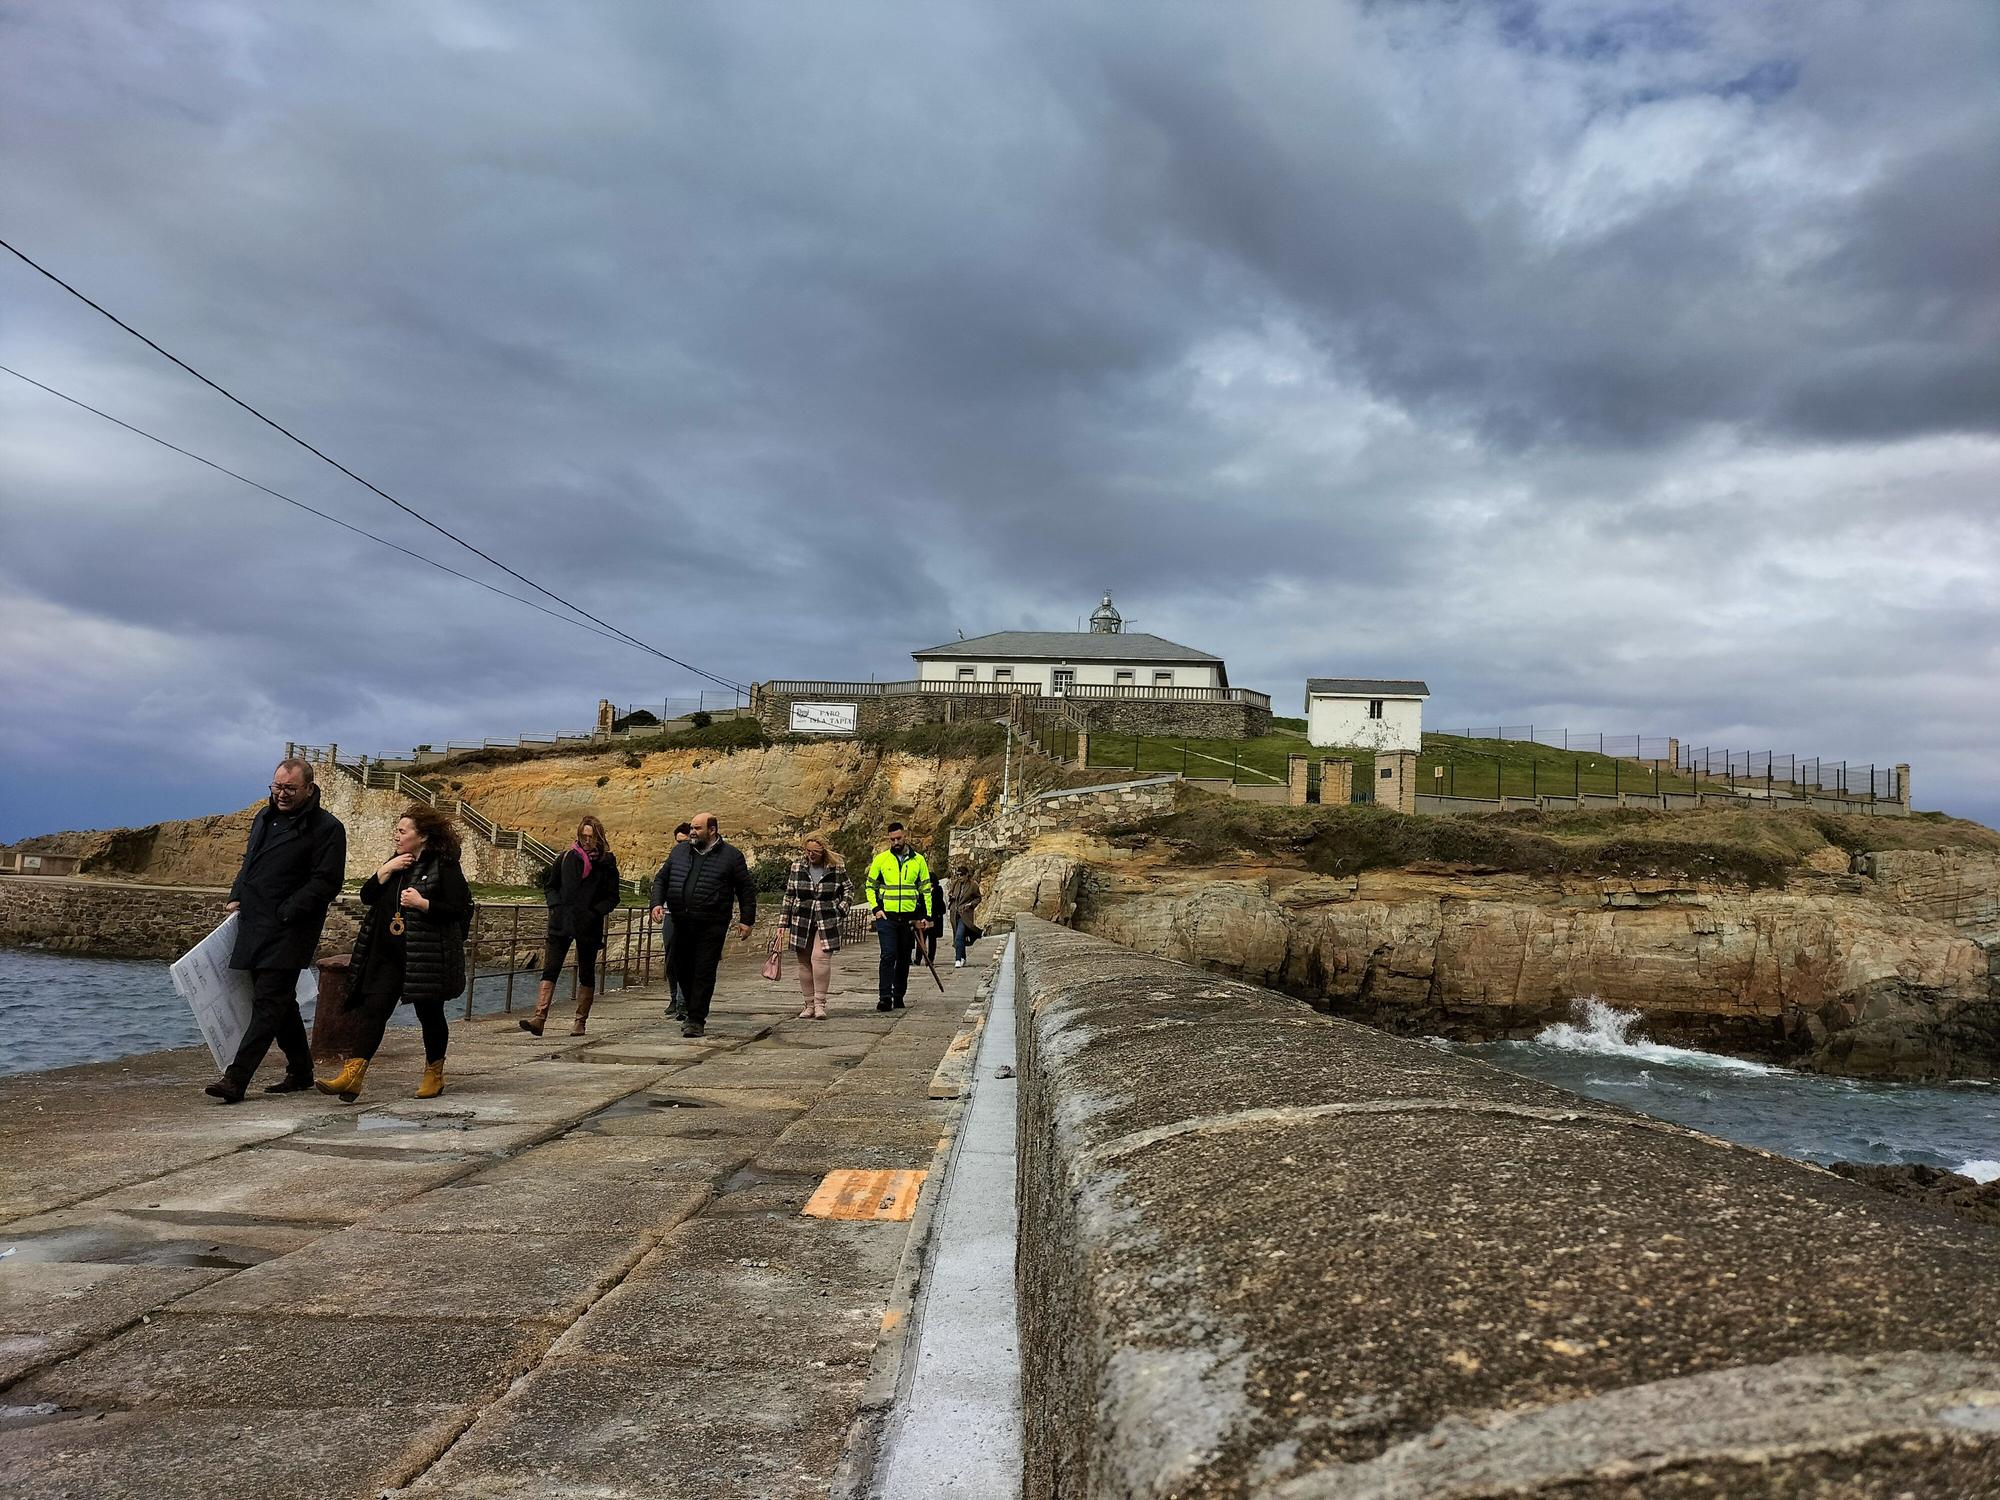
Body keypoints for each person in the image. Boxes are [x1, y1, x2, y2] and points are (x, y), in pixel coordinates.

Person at [205, 757, 347, 1104]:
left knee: (268, 1002)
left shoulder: (328, 828)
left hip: (291, 929)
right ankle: (300, 1070)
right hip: (254, 922)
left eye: (289, 788)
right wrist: (236, 895)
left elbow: (326, 882)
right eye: (277, 787)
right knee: (281, 1003)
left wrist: (288, 910)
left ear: (309, 789)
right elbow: (249, 862)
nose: (281, 794)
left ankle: (235, 1079)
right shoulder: (264, 817)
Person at [316, 803, 470, 1102]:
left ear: (422, 835)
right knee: (372, 1011)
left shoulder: (445, 865)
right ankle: (352, 1076)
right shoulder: (397, 862)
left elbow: (458, 908)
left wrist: (423, 904)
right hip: (386, 953)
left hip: (425, 956)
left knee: (431, 1015)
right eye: (396, 830)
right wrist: (385, 869)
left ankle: (434, 1074)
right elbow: (367, 896)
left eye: (402, 831)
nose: (396, 836)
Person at [520, 814, 622, 1037]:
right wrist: (555, 906)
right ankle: (539, 1017)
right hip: (562, 922)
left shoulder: (606, 864)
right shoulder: (566, 857)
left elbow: (613, 897)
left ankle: (580, 1021)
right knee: (551, 968)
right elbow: (551, 886)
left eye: (591, 837)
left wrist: (594, 912)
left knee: (586, 972)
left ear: (598, 837)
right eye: (583, 836)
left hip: (588, 924)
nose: (586, 841)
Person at [656, 810, 755, 1038]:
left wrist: (746, 920)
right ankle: (692, 1009)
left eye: (697, 828)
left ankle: (696, 1019)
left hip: (712, 924)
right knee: (680, 968)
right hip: (681, 921)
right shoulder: (679, 851)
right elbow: (662, 878)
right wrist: (656, 903)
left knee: (703, 971)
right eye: (691, 827)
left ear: (712, 830)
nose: (692, 831)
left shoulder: (732, 856)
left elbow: (745, 889)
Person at [777, 836, 850, 1021]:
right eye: (808, 851)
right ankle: (808, 1004)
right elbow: (789, 895)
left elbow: (849, 890)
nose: (811, 855)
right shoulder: (797, 866)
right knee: (803, 961)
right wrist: (782, 924)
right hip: (802, 918)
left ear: (823, 851)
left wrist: (840, 909)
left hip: (827, 918)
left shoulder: (836, 867)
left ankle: (820, 1004)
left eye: (815, 852)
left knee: (820, 958)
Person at [864, 822, 932, 1012]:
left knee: (904, 958)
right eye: (892, 839)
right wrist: (876, 908)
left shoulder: (918, 861)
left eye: (898, 838)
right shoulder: (881, 860)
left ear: (905, 837)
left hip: (909, 918)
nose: (895, 842)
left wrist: (926, 915)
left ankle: (898, 995)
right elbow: (870, 886)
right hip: (887, 917)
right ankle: (885, 997)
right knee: (888, 955)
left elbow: (925, 889)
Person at [648, 822, 693, 1021]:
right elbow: (660, 880)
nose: (680, 846)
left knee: (687, 958)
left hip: (693, 916)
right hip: (671, 914)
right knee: (671, 959)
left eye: (684, 842)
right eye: (677, 843)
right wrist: (656, 904)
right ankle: (675, 998)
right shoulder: (673, 860)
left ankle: (684, 1003)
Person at [947, 864, 983, 968]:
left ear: (967, 874)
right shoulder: (955, 884)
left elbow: (978, 898)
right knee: (958, 937)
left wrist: (970, 905)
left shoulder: (973, 885)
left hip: (965, 914)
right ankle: (962, 957)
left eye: (961, 875)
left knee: (959, 936)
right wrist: (951, 896)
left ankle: (958, 959)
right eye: (958, 875)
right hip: (955, 914)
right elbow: (950, 893)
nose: (959, 877)